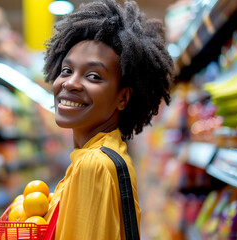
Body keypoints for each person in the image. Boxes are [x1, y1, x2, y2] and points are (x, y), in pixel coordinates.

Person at [42, 0, 174, 239]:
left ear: (122, 98)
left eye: (93, 76)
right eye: (66, 70)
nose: (70, 83)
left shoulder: (94, 165)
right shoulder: (105, 153)